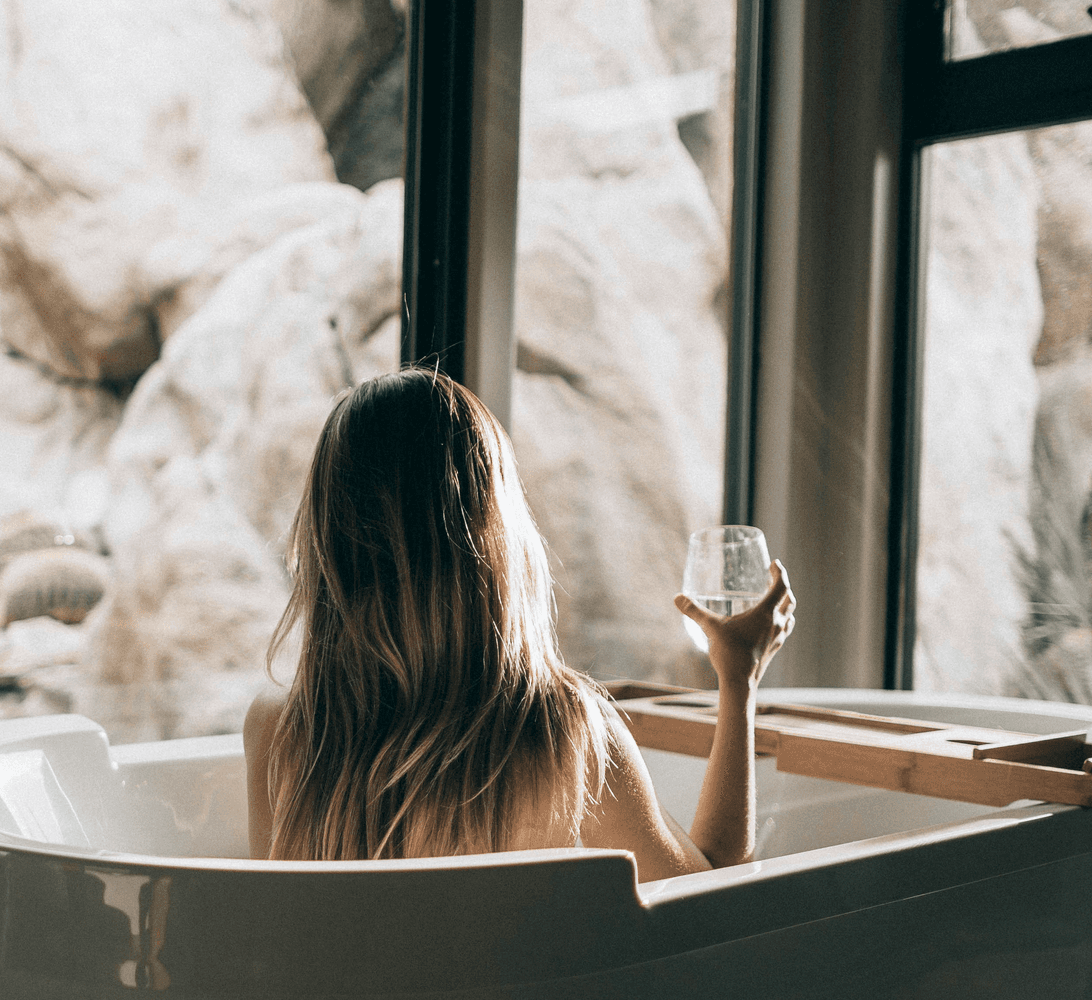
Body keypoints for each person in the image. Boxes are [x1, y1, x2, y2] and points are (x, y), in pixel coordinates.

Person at [242, 369, 795, 882]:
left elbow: (278, 937)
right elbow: (708, 902)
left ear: (327, 544)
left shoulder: (277, 733)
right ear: (496, 538)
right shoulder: (566, 734)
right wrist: (738, 680)